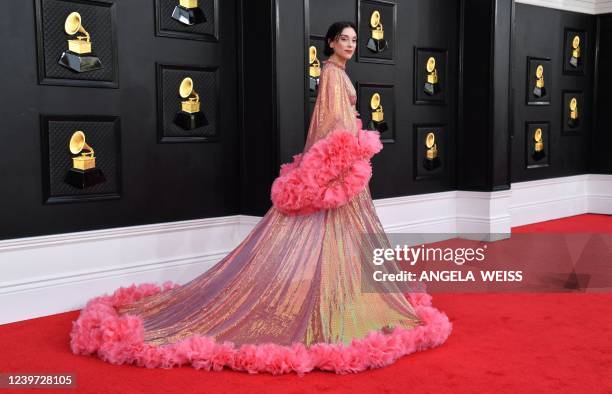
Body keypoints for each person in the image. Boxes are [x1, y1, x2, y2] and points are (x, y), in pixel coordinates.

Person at [70, 21, 452, 376]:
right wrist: (342, 159)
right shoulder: (333, 75)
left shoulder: (338, 73)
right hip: (342, 160)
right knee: (329, 228)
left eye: (354, 40)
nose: (351, 45)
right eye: (345, 39)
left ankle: (335, 297)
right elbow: (330, 124)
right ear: (332, 42)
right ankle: (327, 303)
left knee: (339, 232)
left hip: (344, 159)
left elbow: (331, 123)